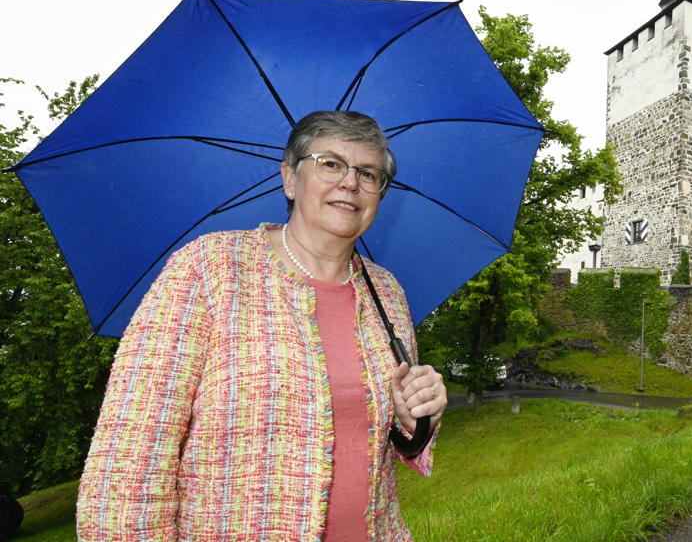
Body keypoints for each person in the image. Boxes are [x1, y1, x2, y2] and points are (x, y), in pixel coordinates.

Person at [77, 111, 447, 541]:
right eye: (330, 163)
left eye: (369, 173)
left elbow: (392, 444)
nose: (350, 182)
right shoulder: (208, 269)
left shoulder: (387, 292)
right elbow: (128, 462)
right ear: (290, 178)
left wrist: (417, 417)